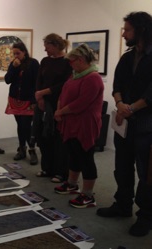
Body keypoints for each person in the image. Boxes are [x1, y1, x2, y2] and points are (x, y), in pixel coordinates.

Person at [97, 11, 152, 237]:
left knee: (146, 173)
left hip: (147, 125)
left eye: (127, 30)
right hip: (125, 121)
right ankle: (122, 205)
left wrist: (130, 108)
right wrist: (120, 104)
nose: (123, 34)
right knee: (122, 166)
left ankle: (146, 217)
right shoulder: (128, 57)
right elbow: (117, 83)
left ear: (141, 30)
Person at [53, 43, 104, 209]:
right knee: (74, 154)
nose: (70, 64)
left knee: (86, 157)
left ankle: (88, 195)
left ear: (81, 60)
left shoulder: (93, 78)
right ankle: (72, 183)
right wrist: (59, 108)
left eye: (72, 61)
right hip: (71, 121)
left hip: (85, 124)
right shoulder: (75, 75)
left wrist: (61, 111)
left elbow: (81, 103)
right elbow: (63, 93)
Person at [31, 33, 72, 182]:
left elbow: (65, 84)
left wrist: (44, 92)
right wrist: (39, 96)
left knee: (58, 139)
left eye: (47, 47)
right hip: (43, 104)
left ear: (55, 46)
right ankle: (47, 168)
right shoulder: (45, 61)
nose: (45, 50)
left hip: (59, 104)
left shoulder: (67, 62)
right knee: (43, 136)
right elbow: (39, 80)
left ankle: (60, 172)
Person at [4, 42, 39, 163]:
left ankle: (32, 150)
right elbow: (7, 80)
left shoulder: (33, 63)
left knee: (26, 126)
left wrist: (35, 100)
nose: (16, 56)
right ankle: (22, 149)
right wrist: (13, 67)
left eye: (18, 53)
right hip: (15, 99)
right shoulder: (13, 64)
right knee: (20, 125)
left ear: (24, 52)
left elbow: (37, 82)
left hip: (28, 100)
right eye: (14, 54)